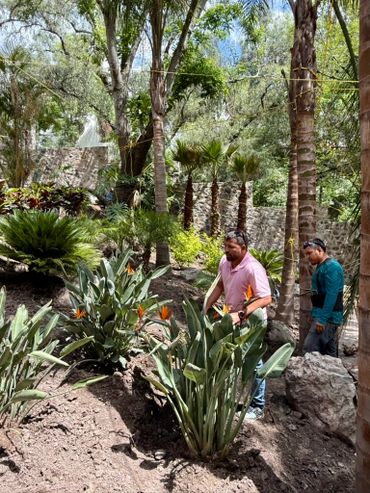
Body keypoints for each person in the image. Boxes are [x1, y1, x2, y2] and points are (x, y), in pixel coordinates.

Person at [204, 229, 272, 420]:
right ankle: (226, 399)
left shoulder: (253, 268)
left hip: (251, 322)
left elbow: (266, 298)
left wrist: (242, 313)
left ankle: (258, 406)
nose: (226, 250)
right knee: (228, 359)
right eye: (225, 246)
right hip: (230, 318)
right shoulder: (224, 262)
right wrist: (206, 306)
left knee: (253, 362)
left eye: (231, 247)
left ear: (243, 248)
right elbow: (220, 286)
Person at [303, 238, 344, 357]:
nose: (307, 257)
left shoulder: (332, 267)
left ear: (319, 250)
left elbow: (332, 295)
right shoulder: (321, 266)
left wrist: (322, 319)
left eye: (309, 253)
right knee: (330, 354)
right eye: (306, 254)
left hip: (328, 317)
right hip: (322, 315)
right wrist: (314, 313)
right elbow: (320, 293)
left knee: (309, 350)